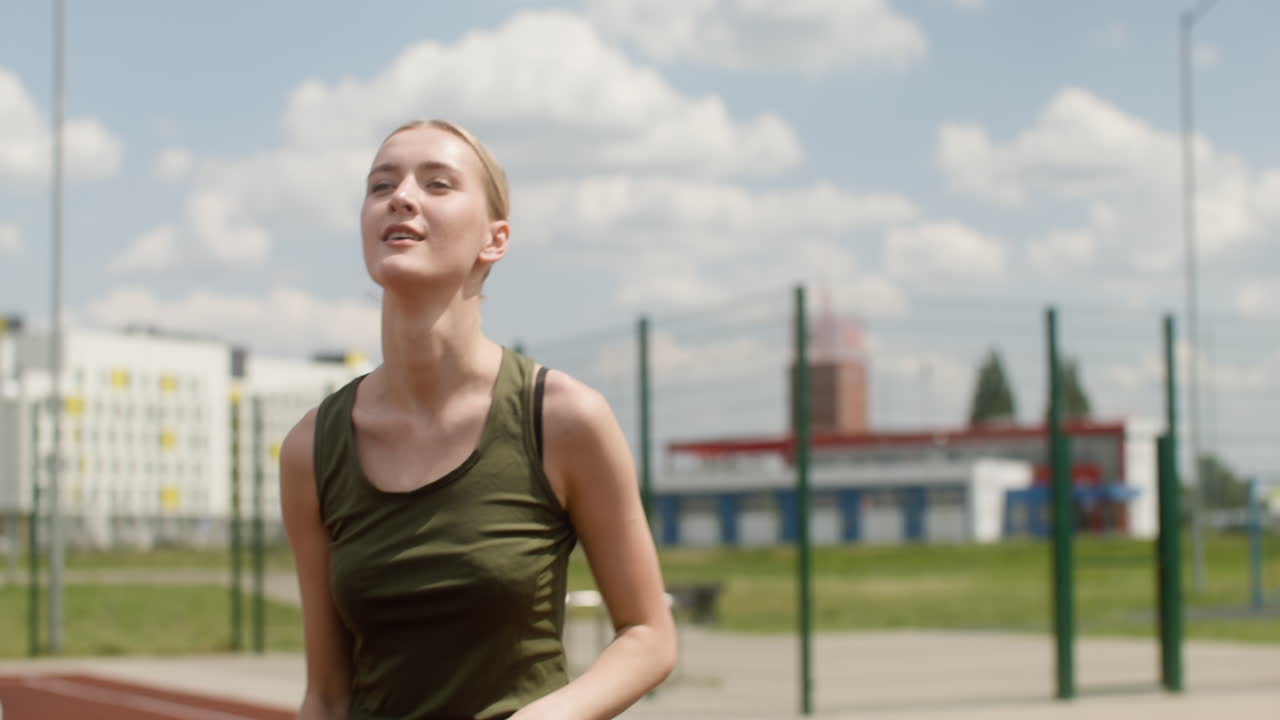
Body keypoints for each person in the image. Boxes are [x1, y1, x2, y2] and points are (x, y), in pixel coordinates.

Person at [279, 119, 677, 720]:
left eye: (437, 184)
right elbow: (328, 695)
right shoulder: (312, 448)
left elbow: (650, 635)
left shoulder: (565, 419)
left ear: (495, 239)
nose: (402, 197)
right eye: (381, 185)